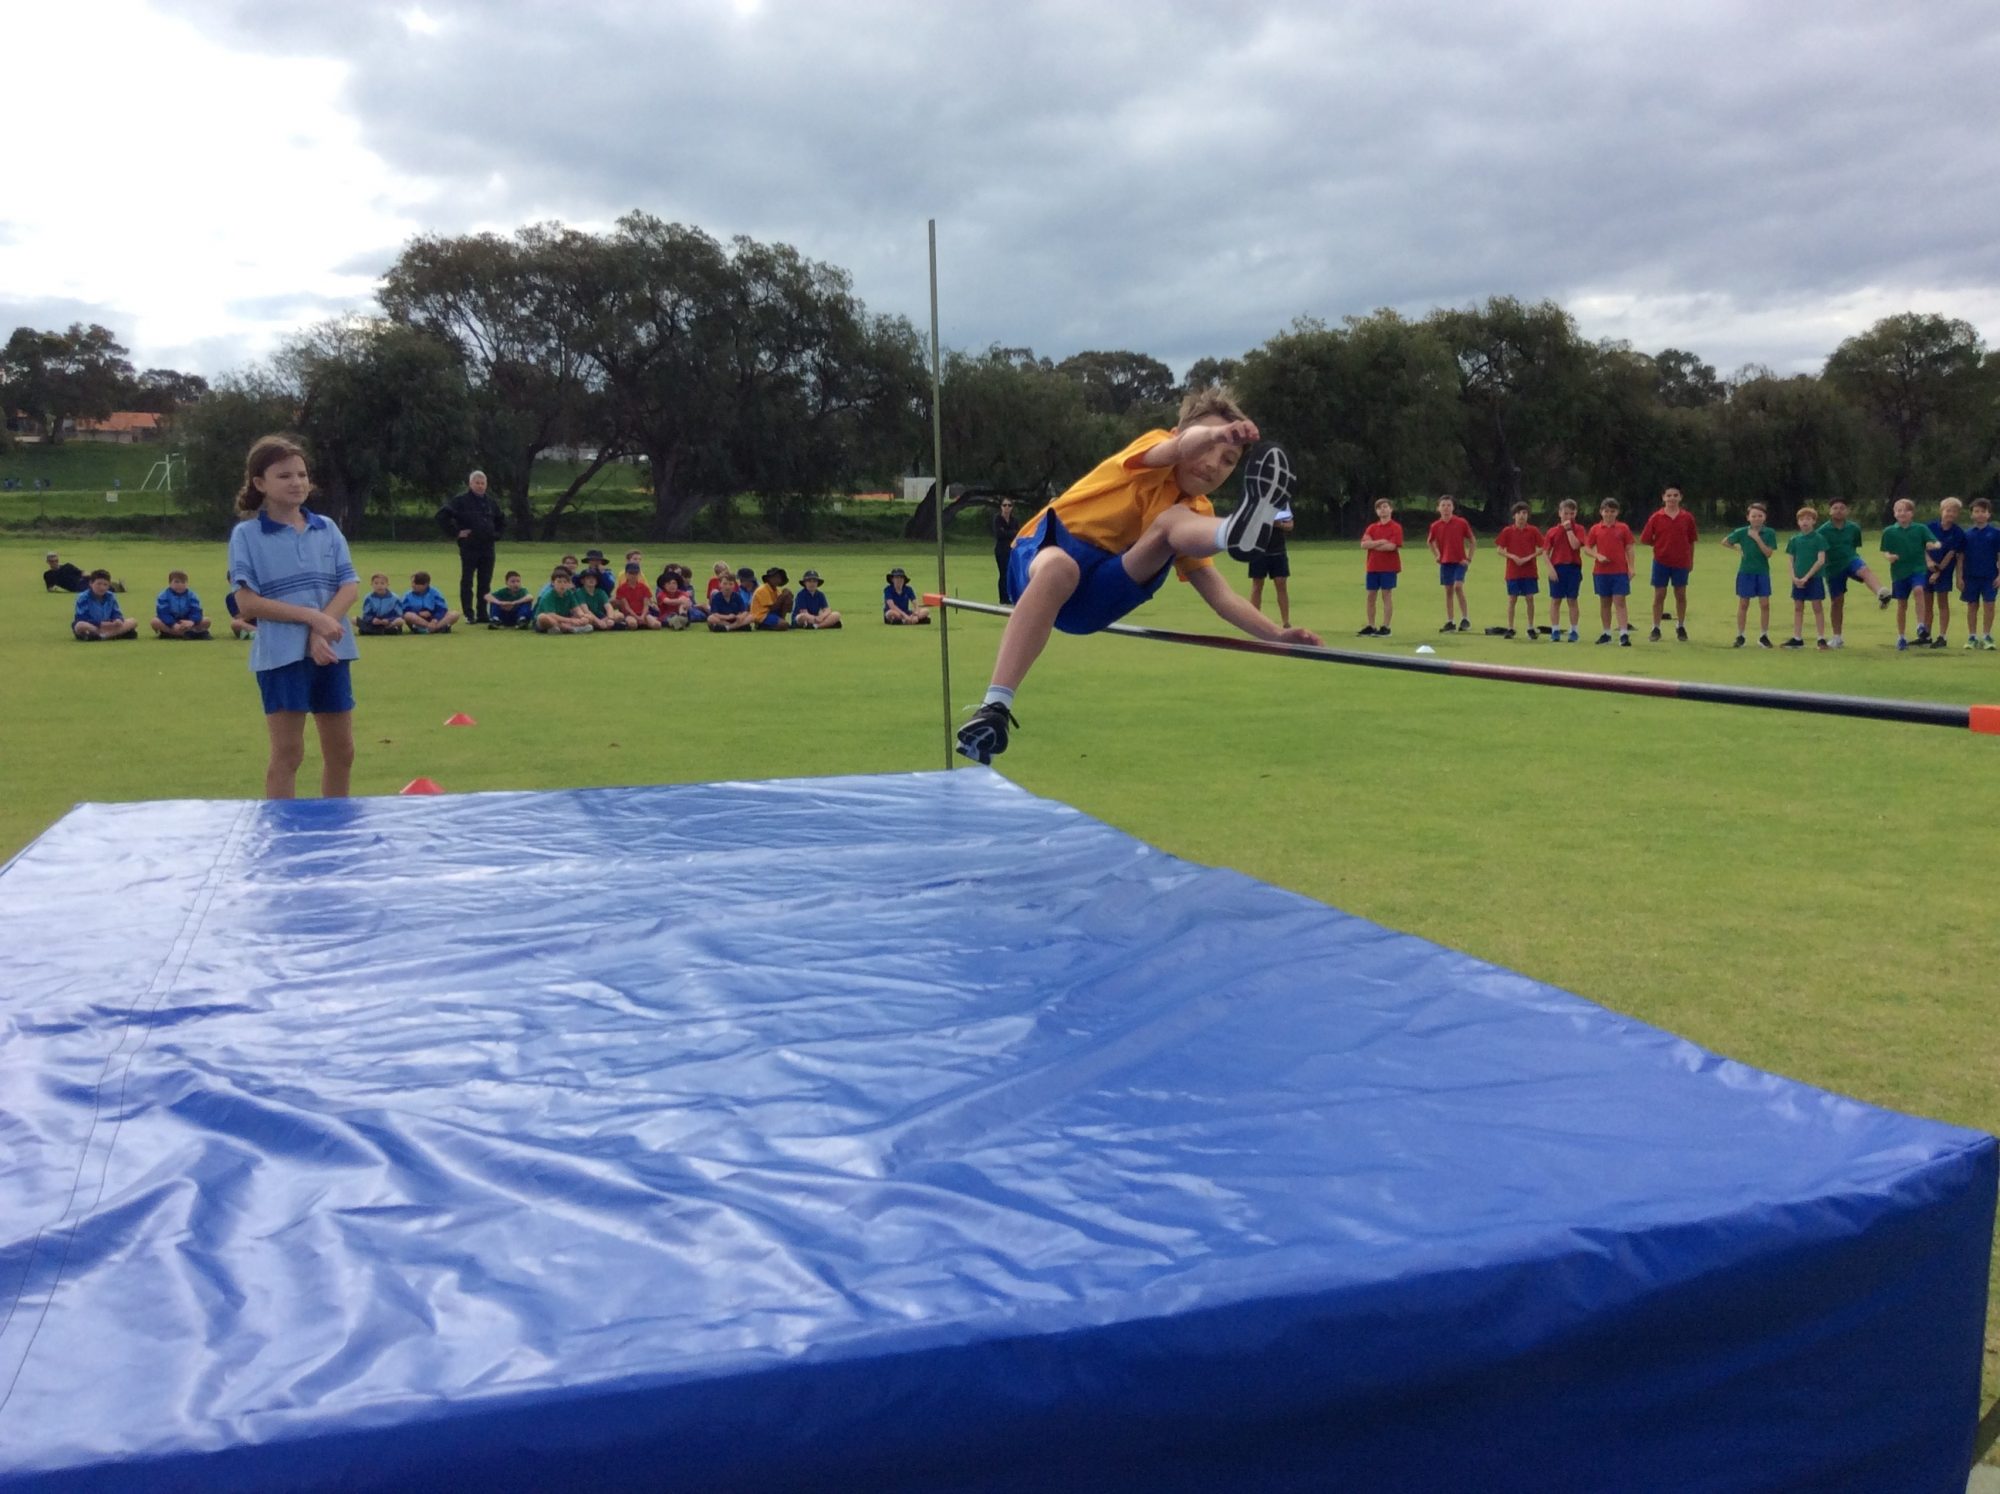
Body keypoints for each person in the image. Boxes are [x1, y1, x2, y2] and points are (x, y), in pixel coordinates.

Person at [955, 386, 1316, 764]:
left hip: (1098, 597)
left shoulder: (1196, 510)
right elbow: (1177, 448)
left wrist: (1275, 634)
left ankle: (1231, 532)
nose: (1213, 463)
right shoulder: (1155, 450)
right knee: (1063, 568)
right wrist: (1215, 434)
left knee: (1173, 523)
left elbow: (1220, 596)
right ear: (1179, 435)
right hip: (1045, 559)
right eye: (1208, 446)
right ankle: (994, 707)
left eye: (1228, 460)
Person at [227, 434, 358, 800]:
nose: (297, 482)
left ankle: (335, 824)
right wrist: (311, 618)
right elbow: (246, 603)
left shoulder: (326, 528)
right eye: (284, 476)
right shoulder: (247, 535)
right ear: (259, 483)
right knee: (288, 754)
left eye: (302, 474)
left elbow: (349, 587)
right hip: (281, 656)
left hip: (332, 652)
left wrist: (321, 630)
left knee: (342, 751)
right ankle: (282, 829)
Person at [1816, 498, 1892, 648]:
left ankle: (1881, 592)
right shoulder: (1822, 531)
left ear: (1847, 511)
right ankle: (1837, 637)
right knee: (1837, 601)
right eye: (1835, 508)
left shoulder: (1854, 528)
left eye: (1842, 508)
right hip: (1833, 567)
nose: (1838, 510)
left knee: (1864, 570)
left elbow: (1855, 545)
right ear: (1830, 511)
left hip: (1851, 559)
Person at [436, 470, 506, 624]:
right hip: (469, 546)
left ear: (486, 485)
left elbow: (501, 519)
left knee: (485, 581)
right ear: (470, 484)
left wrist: (496, 534)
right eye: (477, 483)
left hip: (488, 547)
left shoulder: (491, 502)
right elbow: (441, 516)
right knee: (467, 581)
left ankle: (482, 613)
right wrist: (456, 532)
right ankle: (469, 613)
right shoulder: (460, 501)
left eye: (482, 483)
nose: (480, 486)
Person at [1639, 486, 1698, 641]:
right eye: (1669, 495)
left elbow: (1691, 541)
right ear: (1663, 497)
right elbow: (1645, 538)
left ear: (1680, 497)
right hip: (1661, 561)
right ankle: (1656, 627)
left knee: (1680, 594)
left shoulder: (1687, 517)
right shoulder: (1656, 517)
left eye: (1675, 495)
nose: (1672, 498)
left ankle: (1681, 625)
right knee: (1659, 595)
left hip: (1681, 562)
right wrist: (1660, 545)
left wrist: (1691, 560)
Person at [1881, 498, 1940, 651]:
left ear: (1912, 513)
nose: (1902, 513)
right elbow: (1885, 551)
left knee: (1919, 590)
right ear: (1894, 513)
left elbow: (1935, 542)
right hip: (1899, 572)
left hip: (1917, 568)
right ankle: (1901, 636)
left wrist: (1933, 545)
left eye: (1906, 510)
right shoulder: (1889, 531)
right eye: (1899, 510)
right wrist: (1889, 557)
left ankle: (1920, 625)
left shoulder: (1920, 529)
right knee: (1902, 604)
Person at [1722, 503, 1777, 648]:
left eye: (1760, 516)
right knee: (1743, 603)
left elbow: (1768, 553)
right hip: (1746, 572)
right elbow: (1725, 541)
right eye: (1754, 516)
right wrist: (1737, 549)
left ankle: (1763, 636)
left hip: (1762, 572)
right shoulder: (1741, 532)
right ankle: (1740, 635)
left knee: (1765, 604)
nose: (1757, 519)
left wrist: (1757, 538)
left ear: (1765, 517)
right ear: (1748, 517)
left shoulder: (1769, 533)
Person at [1583, 498, 1635, 645]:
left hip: (1619, 571)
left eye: (1612, 511)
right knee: (1605, 602)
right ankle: (1606, 633)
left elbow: (1629, 548)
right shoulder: (1596, 529)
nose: (1609, 514)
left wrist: (1631, 567)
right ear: (1601, 512)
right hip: (1601, 571)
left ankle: (1624, 633)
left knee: (1620, 601)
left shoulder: (1623, 528)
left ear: (1617, 512)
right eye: (1606, 511)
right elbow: (1587, 548)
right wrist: (1597, 555)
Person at [1783, 505, 1830, 649]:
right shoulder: (1794, 539)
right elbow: (1790, 560)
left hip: (1814, 578)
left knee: (1817, 606)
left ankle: (1821, 638)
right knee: (1798, 607)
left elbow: (1820, 560)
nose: (1805, 522)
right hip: (1798, 579)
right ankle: (1797, 638)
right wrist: (1794, 577)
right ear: (1798, 522)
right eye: (1802, 519)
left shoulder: (1819, 538)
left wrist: (1807, 576)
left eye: (1808, 519)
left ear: (1814, 521)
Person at [1922, 496, 1966, 649]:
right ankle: (1926, 634)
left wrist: (1938, 571)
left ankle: (1942, 636)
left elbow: (1951, 554)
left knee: (1942, 602)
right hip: (1927, 568)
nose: (1950, 514)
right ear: (1941, 511)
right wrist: (1929, 562)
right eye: (1948, 510)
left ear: (1958, 514)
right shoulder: (1929, 527)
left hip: (1945, 570)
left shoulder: (1958, 533)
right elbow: (1922, 546)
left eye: (1954, 511)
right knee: (1927, 603)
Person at [1427, 494, 1474, 633]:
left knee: (1458, 587)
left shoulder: (1461, 522)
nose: (1446, 508)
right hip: (1445, 562)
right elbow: (1430, 541)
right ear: (1438, 508)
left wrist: (1469, 558)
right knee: (1448, 591)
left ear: (1453, 507)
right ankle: (1450, 621)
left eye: (1449, 505)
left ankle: (1465, 618)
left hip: (1460, 561)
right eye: (1443, 505)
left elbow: (1472, 540)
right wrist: (1437, 555)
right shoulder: (1435, 526)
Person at [1495, 501, 1542, 639]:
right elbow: (1499, 549)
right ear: (1514, 516)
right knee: (1512, 599)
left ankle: (1530, 627)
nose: (1522, 516)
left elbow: (1542, 547)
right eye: (1519, 513)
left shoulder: (1533, 530)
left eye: (1524, 513)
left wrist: (1529, 557)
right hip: (1513, 571)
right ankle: (1510, 627)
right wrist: (1513, 556)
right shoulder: (1508, 531)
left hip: (1529, 570)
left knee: (1530, 598)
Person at [1542, 499, 1586, 643]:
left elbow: (1575, 545)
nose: (1568, 516)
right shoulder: (1552, 531)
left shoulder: (1579, 529)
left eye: (1572, 513)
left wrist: (1568, 530)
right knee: (1555, 600)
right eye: (1566, 513)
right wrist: (1550, 569)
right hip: (1557, 567)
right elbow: (1545, 552)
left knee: (1572, 599)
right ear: (1560, 513)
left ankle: (1574, 630)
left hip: (1573, 568)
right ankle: (1555, 630)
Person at [1247, 499, 1295, 628]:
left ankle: (1286, 622)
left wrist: (1279, 524)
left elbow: (1290, 525)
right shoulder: (1255, 500)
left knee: (1281, 584)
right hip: (1258, 549)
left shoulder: (1282, 502)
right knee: (1257, 585)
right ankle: (1255, 622)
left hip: (1278, 549)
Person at [1358, 497, 1401, 637]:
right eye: (1379, 508)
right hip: (1372, 566)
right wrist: (1381, 541)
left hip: (1388, 567)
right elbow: (1363, 544)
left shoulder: (1395, 527)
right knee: (1371, 596)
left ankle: (1386, 626)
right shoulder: (1372, 527)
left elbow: (1392, 546)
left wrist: (1373, 544)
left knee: (1386, 595)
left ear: (1391, 509)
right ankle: (1371, 625)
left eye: (1385, 507)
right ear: (1376, 511)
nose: (1382, 510)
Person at [1958, 498, 1998, 649]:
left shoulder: (1995, 533)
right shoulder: (1966, 534)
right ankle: (1972, 637)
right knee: (1972, 606)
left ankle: (1987, 636)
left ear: (1989, 514)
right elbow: (1960, 557)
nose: (1980, 514)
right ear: (1971, 514)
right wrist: (1959, 577)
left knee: (1989, 605)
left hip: (1990, 576)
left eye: (1983, 511)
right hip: (1970, 576)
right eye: (1976, 511)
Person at [72, 570, 136, 640]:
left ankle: (102, 636)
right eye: (98, 584)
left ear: (109, 586)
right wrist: (101, 624)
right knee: (80, 625)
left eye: (105, 585)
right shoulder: (83, 597)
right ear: (91, 583)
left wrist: (118, 620)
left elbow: (116, 612)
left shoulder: (111, 596)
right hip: (93, 625)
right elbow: (82, 618)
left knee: (133, 621)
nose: (102, 588)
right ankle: (114, 634)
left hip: (109, 625)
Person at [150, 570, 211, 639]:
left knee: (206, 621)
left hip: (188, 622)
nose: (180, 585)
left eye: (183, 582)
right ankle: (192, 633)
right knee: (154, 622)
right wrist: (173, 624)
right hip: (171, 624)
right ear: (170, 583)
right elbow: (163, 613)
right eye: (176, 582)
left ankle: (175, 634)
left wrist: (191, 621)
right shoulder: (163, 595)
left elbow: (196, 611)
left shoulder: (192, 595)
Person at [533, 567, 594, 633]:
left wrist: (582, 617)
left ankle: (562, 628)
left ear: (568, 583)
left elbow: (577, 609)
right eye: (559, 582)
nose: (562, 585)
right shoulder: (548, 596)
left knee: (589, 617)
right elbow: (551, 614)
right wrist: (570, 620)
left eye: (565, 582)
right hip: (551, 619)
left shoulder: (569, 593)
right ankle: (570, 628)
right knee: (542, 617)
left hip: (564, 619)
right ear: (553, 583)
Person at [614, 562, 663, 629]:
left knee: (657, 625)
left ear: (639, 574)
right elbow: (626, 607)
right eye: (631, 573)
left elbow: (646, 605)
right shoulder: (621, 589)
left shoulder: (644, 587)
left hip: (644, 614)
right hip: (629, 614)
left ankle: (644, 622)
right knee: (633, 625)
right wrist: (637, 617)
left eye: (636, 573)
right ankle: (635, 623)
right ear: (626, 574)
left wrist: (642, 616)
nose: (633, 576)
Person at [992, 498, 1018, 599]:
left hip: (1012, 550)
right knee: (1003, 573)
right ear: (1001, 507)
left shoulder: (1014, 520)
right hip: (1001, 550)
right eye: (1004, 505)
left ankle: (1010, 596)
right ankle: (1003, 598)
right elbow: (999, 534)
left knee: (1011, 573)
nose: (1007, 507)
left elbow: (1018, 533)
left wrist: (1007, 532)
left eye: (1009, 505)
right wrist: (1011, 533)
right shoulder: (998, 519)